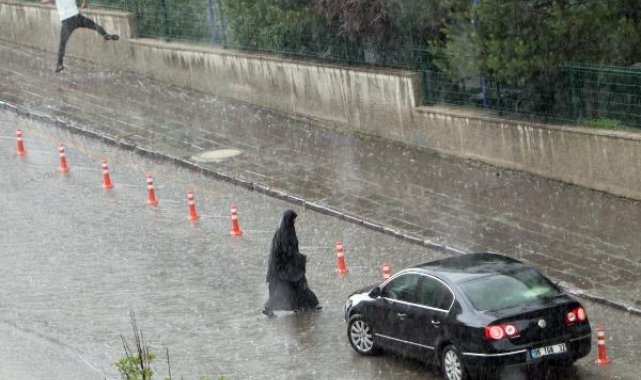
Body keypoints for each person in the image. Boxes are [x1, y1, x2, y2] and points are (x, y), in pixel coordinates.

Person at [263, 210, 321, 318]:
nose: (295, 221)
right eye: (293, 219)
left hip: (287, 266)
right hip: (282, 268)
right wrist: (302, 258)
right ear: (289, 220)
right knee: (286, 288)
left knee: (296, 286)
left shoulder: (288, 229)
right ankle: (305, 305)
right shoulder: (284, 233)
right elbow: (288, 252)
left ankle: (305, 305)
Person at [40, 0, 120, 73]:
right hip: (77, 17)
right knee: (94, 25)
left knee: (62, 44)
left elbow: (44, 1)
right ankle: (105, 34)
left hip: (67, 22)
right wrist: (84, 4)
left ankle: (59, 64)